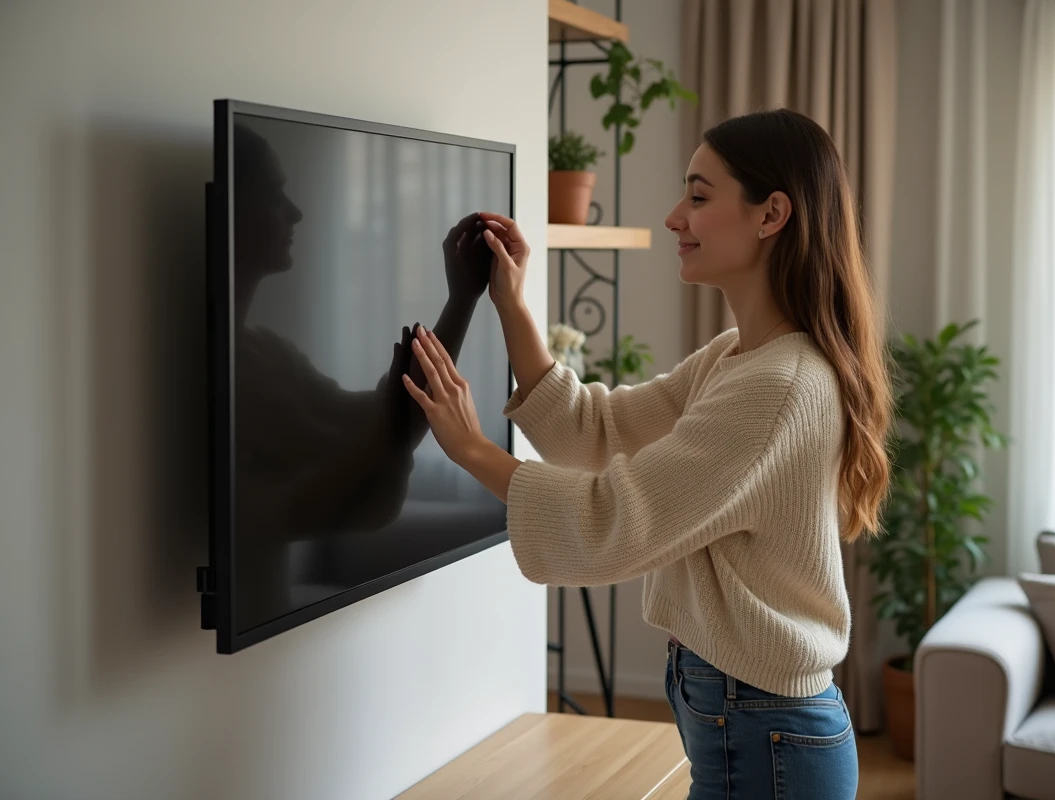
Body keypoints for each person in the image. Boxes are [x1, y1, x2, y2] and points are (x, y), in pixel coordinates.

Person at [401, 109, 892, 800]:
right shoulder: (739, 358)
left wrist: (472, 450)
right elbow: (595, 431)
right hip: (752, 724)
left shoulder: (777, 386)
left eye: (698, 196)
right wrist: (510, 304)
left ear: (770, 214)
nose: (673, 217)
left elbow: (618, 520)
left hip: (765, 736)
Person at [230, 123, 491, 628]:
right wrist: (460, 301)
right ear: (233, 211)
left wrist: (461, 298)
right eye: (273, 193)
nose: (296, 212)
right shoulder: (230, 371)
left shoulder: (269, 353)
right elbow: (371, 447)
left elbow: (381, 427)